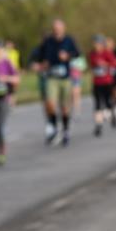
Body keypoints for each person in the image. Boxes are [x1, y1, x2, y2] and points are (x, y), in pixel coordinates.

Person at [29, 19, 80, 147]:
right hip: (52, 78)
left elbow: (77, 54)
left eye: (59, 29)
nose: (57, 31)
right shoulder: (48, 41)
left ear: (63, 29)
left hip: (65, 78)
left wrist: (67, 56)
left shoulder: (69, 40)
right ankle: (54, 126)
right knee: (50, 103)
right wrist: (37, 64)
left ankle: (66, 130)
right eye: (55, 29)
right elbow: (37, 55)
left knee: (64, 108)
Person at [88, 35, 116, 136]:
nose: (95, 45)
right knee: (97, 104)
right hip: (97, 82)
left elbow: (115, 63)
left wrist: (105, 64)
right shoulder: (92, 54)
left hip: (107, 82)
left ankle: (112, 116)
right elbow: (91, 66)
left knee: (107, 102)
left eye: (97, 43)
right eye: (94, 43)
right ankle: (98, 125)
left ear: (102, 44)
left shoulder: (107, 53)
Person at [4, 39, 21, 106]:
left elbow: (15, 63)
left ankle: (12, 100)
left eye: (10, 44)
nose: (8, 46)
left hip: (14, 71)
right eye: (7, 44)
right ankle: (7, 100)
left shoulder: (15, 53)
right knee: (7, 87)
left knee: (14, 87)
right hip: (7, 71)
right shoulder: (4, 52)